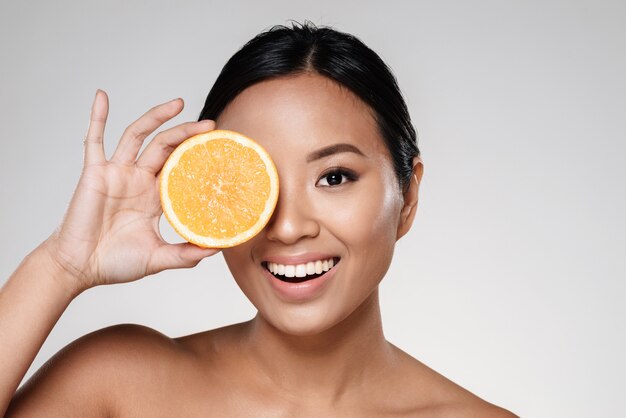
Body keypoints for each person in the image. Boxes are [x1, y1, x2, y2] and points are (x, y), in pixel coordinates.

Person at [1, 22, 517, 416]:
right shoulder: (119, 385)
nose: (288, 227)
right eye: (254, 183)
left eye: (334, 177)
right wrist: (61, 266)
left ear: (408, 196)